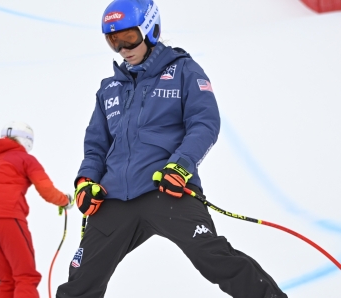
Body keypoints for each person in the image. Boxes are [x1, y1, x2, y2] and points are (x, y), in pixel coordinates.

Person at [56, 1, 288, 297]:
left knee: (214, 258)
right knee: (81, 280)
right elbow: (96, 145)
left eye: (128, 37)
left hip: (166, 188)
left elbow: (204, 123)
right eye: (113, 40)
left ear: (151, 29)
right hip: (114, 196)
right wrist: (86, 181)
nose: (123, 48)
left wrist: (180, 165)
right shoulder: (109, 89)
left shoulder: (183, 71)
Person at [0, 121, 74, 298]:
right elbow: (46, 189)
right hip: (9, 218)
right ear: (26, 141)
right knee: (26, 276)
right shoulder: (25, 159)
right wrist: (65, 201)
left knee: (6, 280)